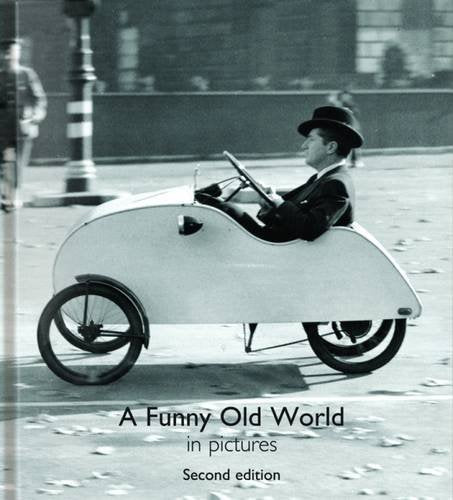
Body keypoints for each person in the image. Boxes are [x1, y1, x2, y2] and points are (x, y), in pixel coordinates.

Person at [196, 106, 363, 242]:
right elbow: (291, 217)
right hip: (280, 248)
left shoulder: (336, 184)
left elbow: (310, 229)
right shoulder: (324, 179)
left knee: (224, 209)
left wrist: (278, 203)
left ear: (331, 147)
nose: (304, 146)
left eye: (311, 139)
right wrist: (269, 203)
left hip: (285, 253)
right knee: (220, 207)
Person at [0, 38, 47, 211]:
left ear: (18, 53)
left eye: (11, 51)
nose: (7, 55)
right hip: (2, 128)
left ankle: (13, 195)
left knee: (18, 164)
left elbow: (39, 100)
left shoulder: (27, 74)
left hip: (22, 127)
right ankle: (5, 195)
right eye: (4, 52)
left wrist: (35, 116)